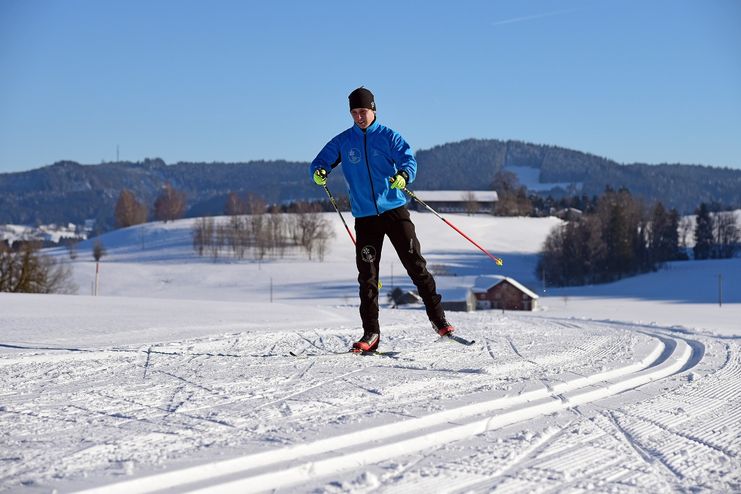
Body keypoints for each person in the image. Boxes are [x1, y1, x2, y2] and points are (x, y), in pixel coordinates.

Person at [310, 86, 454, 353]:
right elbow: (320, 161)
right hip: (365, 218)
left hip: (394, 212)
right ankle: (371, 334)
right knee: (368, 277)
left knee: (416, 266)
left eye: (362, 111)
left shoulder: (389, 137)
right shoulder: (343, 141)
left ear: (373, 109)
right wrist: (318, 171)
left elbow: (408, 160)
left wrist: (404, 175)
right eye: (354, 113)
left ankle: (439, 320)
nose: (358, 117)